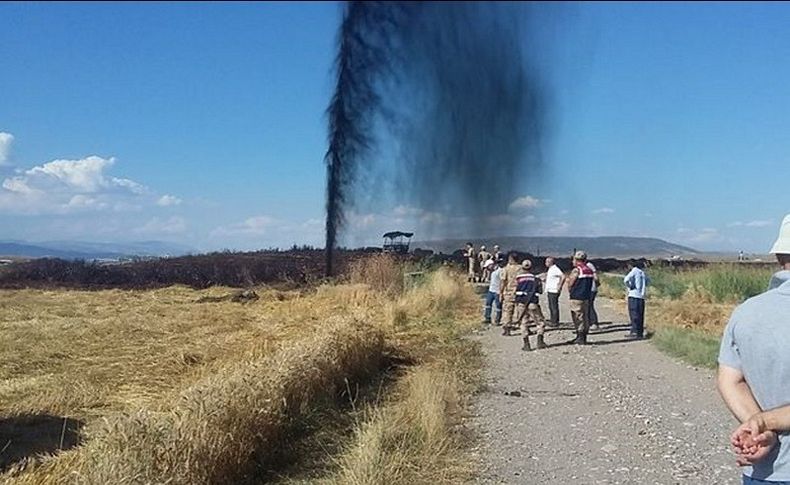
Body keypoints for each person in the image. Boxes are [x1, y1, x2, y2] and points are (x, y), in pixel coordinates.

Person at [717, 214, 790, 484]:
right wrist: (763, 423)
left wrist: (757, 424)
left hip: (766, 471)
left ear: (778, 256)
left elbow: (730, 380)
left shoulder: (745, 312)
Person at [513, 259, 547, 351]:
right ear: (531, 268)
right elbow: (540, 291)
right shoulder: (536, 279)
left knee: (523, 323)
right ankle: (540, 342)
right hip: (532, 303)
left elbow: (514, 290)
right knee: (540, 322)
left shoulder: (518, 278)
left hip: (521, 303)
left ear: (522, 268)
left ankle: (526, 344)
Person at [566, 250, 594, 345]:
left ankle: (580, 337)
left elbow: (571, 283)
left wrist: (570, 290)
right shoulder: (589, 270)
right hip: (586, 296)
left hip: (577, 296)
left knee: (577, 317)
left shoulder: (577, 270)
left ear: (576, 259)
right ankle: (582, 336)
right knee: (585, 316)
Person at [623, 260, 649, 339]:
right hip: (641, 296)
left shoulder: (634, 271)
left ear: (630, 265)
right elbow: (648, 281)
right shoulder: (642, 272)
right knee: (640, 314)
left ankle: (634, 331)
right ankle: (639, 333)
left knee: (634, 314)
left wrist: (630, 286)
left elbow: (626, 280)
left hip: (633, 295)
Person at [499, 253, 523, 336]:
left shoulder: (506, 269)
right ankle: (524, 327)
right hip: (520, 292)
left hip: (509, 292)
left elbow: (503, 281)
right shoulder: (521, 268)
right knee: (521, 310)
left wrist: (501, 292)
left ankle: (507, 328)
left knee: (508, 310)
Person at [543, 257, 565, 327]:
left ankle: (555, 322)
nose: (545, 263)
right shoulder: (551, 269)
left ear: (551, 262)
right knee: (551, 306)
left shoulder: (555, 269)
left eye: (547, 262)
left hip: (554, 290)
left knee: (553, 306)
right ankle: (553, 319)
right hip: (550, 290)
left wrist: (560, 285)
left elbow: (563, 276)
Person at [483, 258, 505, 325]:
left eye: (487, 266)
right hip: (491, 290)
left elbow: (502, 281)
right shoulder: (491, 272)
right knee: (488, 304)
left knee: (498, 306)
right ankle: (487, 318)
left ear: (491, 265)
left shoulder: (500, 271)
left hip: (497, 291)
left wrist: (501, 292)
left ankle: (497, 320)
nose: (487, 268)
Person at [587, 260, 601, 330]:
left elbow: (595, 276)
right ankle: (590, 322)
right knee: (587, 306)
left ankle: (594, 322)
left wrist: (596, 283)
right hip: (589, 288)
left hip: (591, 288)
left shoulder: (589, 265)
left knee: (590, 305)